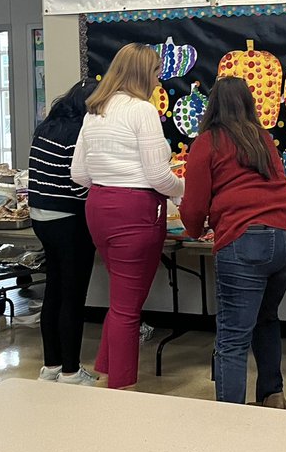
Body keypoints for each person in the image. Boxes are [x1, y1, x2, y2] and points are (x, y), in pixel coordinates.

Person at [179, 77, 286, 407]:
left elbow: (193, 207)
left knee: (232, 337)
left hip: (249, 240)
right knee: (266, 317)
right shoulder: (262, 138)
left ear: (212, 106)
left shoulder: (207, 142)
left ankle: (231, 418)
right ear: (250, 104)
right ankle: (273, 396)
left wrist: (194, 231)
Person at [71, 43, 183, 390]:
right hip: (136, 211)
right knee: (128, 308)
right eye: (155, 73)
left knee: (120, 300)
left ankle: (106, 370)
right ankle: (121, 389)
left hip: (99, 207)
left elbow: (79, 174)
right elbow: (158, 176)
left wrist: (113, 180)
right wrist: (184, 187)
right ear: (141, 74)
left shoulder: (95, 112)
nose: (158, 81)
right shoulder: (142, 110)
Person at [30, 80, 98, 386]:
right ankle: (71, 371)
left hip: (41, 218)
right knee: (73, 296)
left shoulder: (46, 128)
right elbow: (79, 185)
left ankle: (51, 366)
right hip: (69, 221)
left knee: (54, 291)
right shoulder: (79, 133)